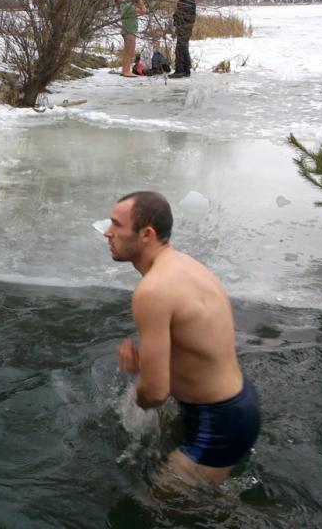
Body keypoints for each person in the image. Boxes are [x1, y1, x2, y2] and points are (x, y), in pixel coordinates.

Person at [104, 191, 261, 488]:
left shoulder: (152, 290)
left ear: (146, 234)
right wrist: (148, 367)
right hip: (235, 401)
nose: (107, 233)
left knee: (160, 507)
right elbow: (194, 344)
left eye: (116, 225)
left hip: (219, 422)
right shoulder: (183, 265)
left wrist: (136, 397)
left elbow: (154, 395)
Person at [170, 0, 195, 79]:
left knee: (180, 48)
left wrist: (177, 17)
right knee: (183, 48)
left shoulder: (187, 0)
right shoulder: (185, 0)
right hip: (183, 27)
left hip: (184, 27)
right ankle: (186, 70)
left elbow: (186, 15)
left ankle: (180, 71)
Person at [119, 0, 146, 78]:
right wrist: (141, 2)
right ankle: (126, 71)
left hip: (127, 31)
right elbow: (143, 11)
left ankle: (125, 70)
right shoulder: (130, 7)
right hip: (129, 32)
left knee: (127, 51)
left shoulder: (126, 6)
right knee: (130, 52)